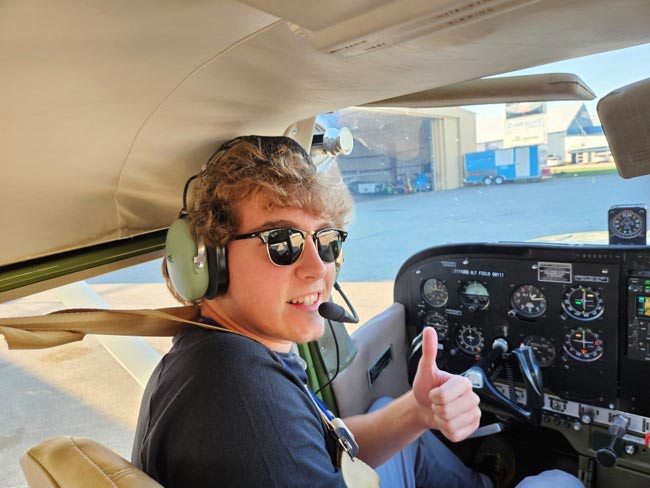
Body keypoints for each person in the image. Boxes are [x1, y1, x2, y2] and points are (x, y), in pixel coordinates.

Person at [132, 135, 582, 488]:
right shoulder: (241, 395)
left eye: (326, 241)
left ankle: (485, 480)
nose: (318, 270)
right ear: (208, 259)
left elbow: (326, 445)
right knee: (559, 480)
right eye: (281, 244)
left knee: (392, 406)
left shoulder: (220, 351)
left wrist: (419, 411)